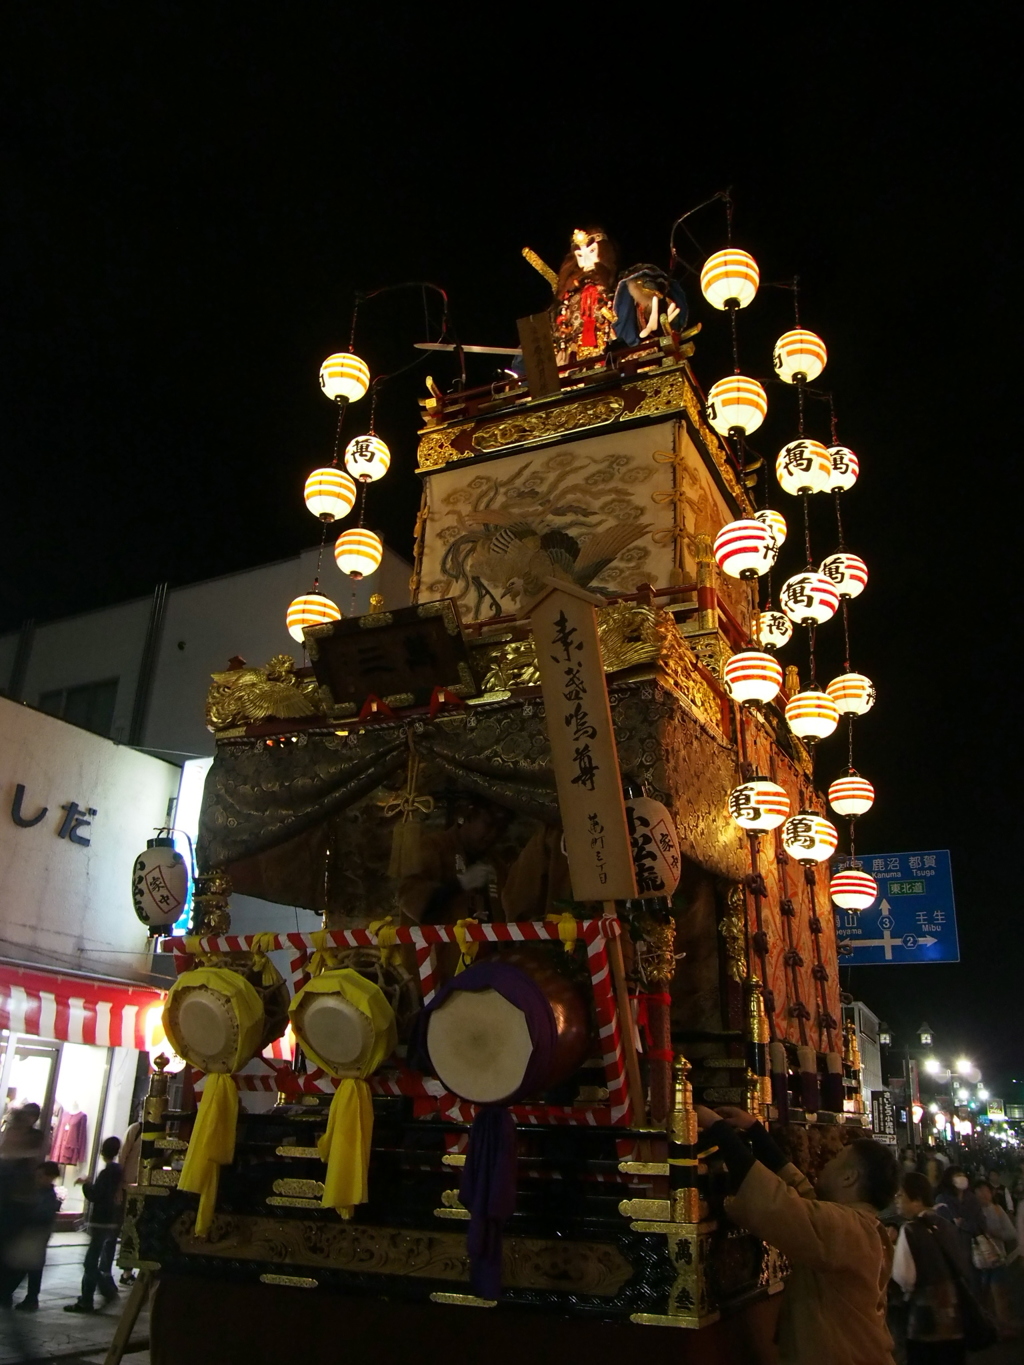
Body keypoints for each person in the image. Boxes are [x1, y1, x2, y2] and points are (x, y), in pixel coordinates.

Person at [696, 1103, 898, 1364]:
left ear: (849, 1178)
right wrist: (755, 1131)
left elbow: (780, 1205)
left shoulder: (850, 1228)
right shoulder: (860, 1225)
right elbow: (800, 1192)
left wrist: (719, 1129)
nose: (828, 1161)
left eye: (836, 1158)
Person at [892, 1171, 972, 1363]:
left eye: (901, 1194)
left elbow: (905, 1277)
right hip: (955, 1317)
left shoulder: (910, 1230)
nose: (896, 1199)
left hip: (924, 1321)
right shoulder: (945, 1225)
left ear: (916, 1199)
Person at [64, 1136, 123, 1313]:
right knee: (93, 1259)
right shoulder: (117, 1170)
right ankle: (90, 1297)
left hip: (101, 1220)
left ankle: (97, 1296)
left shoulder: (107, 1173)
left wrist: (87, 1184)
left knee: (90, 1262)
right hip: (111, 1219)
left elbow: (96, 1195)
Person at [0, 1161, 61, 1311]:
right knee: (30, 1268)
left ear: (50, 1177)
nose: (37, 1179)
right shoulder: (39, 1192)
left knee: (25, 1268)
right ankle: (23, 1297)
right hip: (34, 1235)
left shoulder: (48, 1196)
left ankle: (18, 1296)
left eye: (41, 1176)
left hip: (36, 1236)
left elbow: (41, 1214)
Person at [973, 1179, 1018, 1338]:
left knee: (1000, 1296)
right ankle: (992, 1328)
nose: (982, 1195)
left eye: (985, 1191)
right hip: (980, 1262)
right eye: (978, 1192)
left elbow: (1012, 1233)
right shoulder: (972, 1213)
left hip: (998, 1260)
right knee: (986, 1299)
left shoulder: (998, 1210)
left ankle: (1003, 1329)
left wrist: (995, 1234)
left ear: (991, 1193)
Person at [933, 1167, 984, 1268]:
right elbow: (943, 1226)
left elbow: (981, 1224)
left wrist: (962, 1224)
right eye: (957, 1175)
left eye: (963, 1175)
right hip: (953, 1251)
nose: (962, 1178)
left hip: (975, 1250)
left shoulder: (972, 1198)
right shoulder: (942, 1199)